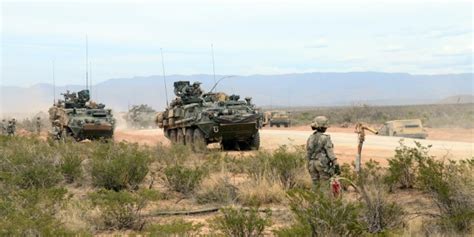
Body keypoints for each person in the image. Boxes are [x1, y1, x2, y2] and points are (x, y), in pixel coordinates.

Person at [306, 116, 340, 190]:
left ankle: (314, 200)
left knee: (315, 184)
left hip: (312, 164)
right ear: (322, 127)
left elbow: (308, 152)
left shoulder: (310, 137)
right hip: (321, 164)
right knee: (324, 185)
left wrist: (308, 164)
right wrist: (336, 164)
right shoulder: (325, 138)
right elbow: (330, 152)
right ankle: (323, 201)